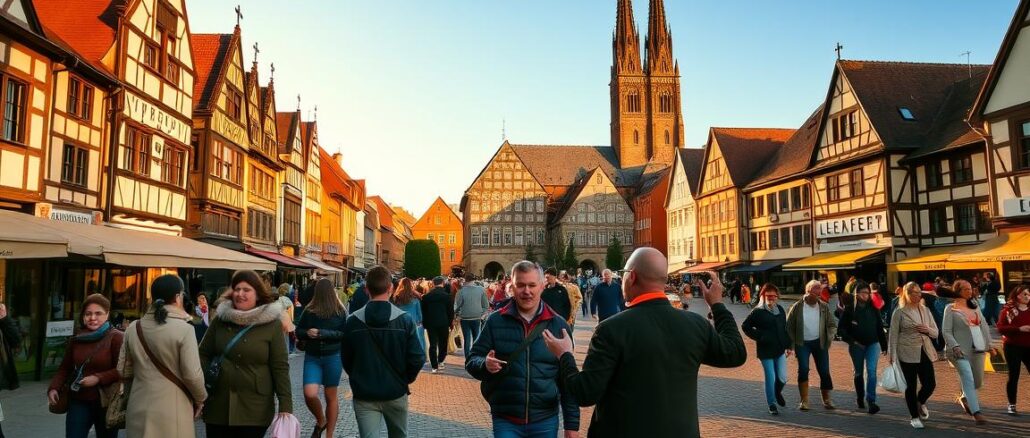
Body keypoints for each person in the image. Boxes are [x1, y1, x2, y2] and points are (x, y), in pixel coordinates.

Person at [541, 248, 746, 438]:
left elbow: (585, 393)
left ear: (631, 277)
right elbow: (735, 353)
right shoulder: (695, 324)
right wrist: (718, 306)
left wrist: (565, 355)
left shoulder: (612, 329)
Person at [466, 261, 580, 438]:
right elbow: (472, 360)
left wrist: (571, 426)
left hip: (545, 419)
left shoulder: (559, 325)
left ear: (542, 286)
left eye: (532, 285)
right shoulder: (495, 321)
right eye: (521, 285)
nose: (527, 291)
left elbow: (568, 381)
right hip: (506, 418)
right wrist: (484, 364)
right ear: (512, 286)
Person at [199, 270, 293, 437]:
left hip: (255, 407)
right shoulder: (220, 320)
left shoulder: (272, 324)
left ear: (257, 294)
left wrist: (286, 405)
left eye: (246, 290)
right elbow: (203, 353)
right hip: (219, 405)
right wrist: (205, 380)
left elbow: (280, 366)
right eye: (236, 289)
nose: (240, 294)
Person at [341, 266, 425, 438]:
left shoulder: (352, 321)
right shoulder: (404, 320)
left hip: (364, 393)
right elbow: (417, 358)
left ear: (366, 289)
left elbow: (347, 359)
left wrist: (359, 376)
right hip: (395, 391)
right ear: (391, 288)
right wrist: (404, 379)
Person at [119, 274, 207, 437]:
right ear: (177, 297)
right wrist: (200, 398)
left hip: (138, 405)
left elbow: (123, 370)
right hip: (173, 408)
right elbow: (192, 375)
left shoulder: (133, 327)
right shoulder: (185, 329)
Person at [47, 294, 123, 438]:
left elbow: (122, 369)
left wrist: (98, 378)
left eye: (98, 313)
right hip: (79, 400)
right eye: (88, 314)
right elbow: (65, 367)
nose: (92, 318)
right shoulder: (77, 338)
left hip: (106, 402)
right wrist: (54, 388)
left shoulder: (116, 337)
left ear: (107, 314)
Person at [297, 278, 348, 437]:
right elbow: (299, 331)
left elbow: (344, 334)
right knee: (309, 393)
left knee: (330, 396)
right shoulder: (309, 310)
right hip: (313, 357)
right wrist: (307, 333)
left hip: (333, 356)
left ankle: (329, 435)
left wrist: (321, 333)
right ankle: (321, 420)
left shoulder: (339, 310)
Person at [942, 279, 993, 425]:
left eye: (970, 289)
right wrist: (955, 346)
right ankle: (977, 412)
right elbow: (946, 331)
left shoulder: (975, 306)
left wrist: (990, 344)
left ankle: (964, 398)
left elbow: (984, 326)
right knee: (968, 378)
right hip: (958, 351)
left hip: (977, 349)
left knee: (977, 382)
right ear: (957, 291)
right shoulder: (950, 308)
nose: (970, 291)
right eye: (966, 289)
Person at [888, 281, 938, 429]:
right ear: (907, 294)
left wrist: (927, 329)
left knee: (930, 384)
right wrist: (892, 354)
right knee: (911, 385)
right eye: (914, 293)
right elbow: (893, 334)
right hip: (906, 351)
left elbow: (935, 333)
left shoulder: (925, 310)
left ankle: (919, 401)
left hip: (924, 350)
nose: (918, 295)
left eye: (919, 292)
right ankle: (914, 416)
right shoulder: (899, 312)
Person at [786, 280, 838, 411]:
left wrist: (829, 336)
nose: (819, 292)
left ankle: (827, 399)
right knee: (803, 369)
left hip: (819, 343)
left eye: (820, 289)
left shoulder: (824, 307)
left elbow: (832, 324)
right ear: (808, 291)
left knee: (824, 371)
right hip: (802, 343)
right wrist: (790, 345)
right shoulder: (797, 307)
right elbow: (789, 326)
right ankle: (804, 400)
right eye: (816, 289)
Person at [741, 284, 791, 415]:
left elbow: (784, 329)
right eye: (769, 295)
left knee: (783, 377)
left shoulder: (780, 309)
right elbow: (745, 326)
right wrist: (760, 336)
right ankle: (772, 404)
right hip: (765, 350)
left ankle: (777, 392)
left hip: (780, 349)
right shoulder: (757, 312)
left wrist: (789, 346)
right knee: (771, 377)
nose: (772, 298)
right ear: (763, 295)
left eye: (774, 296)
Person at [837, 281, 886, 414]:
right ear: (856, 294)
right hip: (857, 345)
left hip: (873, 344)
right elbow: (841, 329)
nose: (866, 295)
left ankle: (871, 401)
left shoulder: (873, 309)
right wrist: (852, 341)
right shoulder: (849, 310)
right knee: (858, 373)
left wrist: (884, 345)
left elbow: (879, 328)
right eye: (864, 293)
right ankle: (860, 397)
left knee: (871, 371)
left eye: (868, 293)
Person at [998, 284, 1030, 415]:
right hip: (1013, 347)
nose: (1028, 296)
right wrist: (1018, 329)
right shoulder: (1008, 310)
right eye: (1025, 294)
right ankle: (1012, 404)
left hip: (1029, 347)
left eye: (1029, 294)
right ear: (1017, 296)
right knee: (1014, 375)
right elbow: (1000, 328)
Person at [421, 276, 454, 372]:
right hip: (444, 322)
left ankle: (434, 366)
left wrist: (425, 323)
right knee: (443, 344)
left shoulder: (427, 296)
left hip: (431, 323)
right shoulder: (447, 296)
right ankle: (441, 361)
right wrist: (450, 322)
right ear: (443, 283)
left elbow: (424, 311)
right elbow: (450, 311)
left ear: (433, 284)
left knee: (433, 344)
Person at [454, 273, 489, 357]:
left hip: (464, 318)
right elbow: (486, 305)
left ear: (465, 280)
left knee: (467, 340)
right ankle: (476, 357)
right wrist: (481, 314)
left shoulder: (461, 291)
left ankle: (467, 359)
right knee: (476, 339)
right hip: (477, 318)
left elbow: (456, 306)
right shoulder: (481, 290)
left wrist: (458, 314)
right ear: (474, 280)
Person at [393, 278, 426, 353]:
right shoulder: (415, 298)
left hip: (401, 323)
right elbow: (419, 313)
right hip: (415, 322)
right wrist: (420, 321)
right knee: (418, 342)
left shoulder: (397, 297)